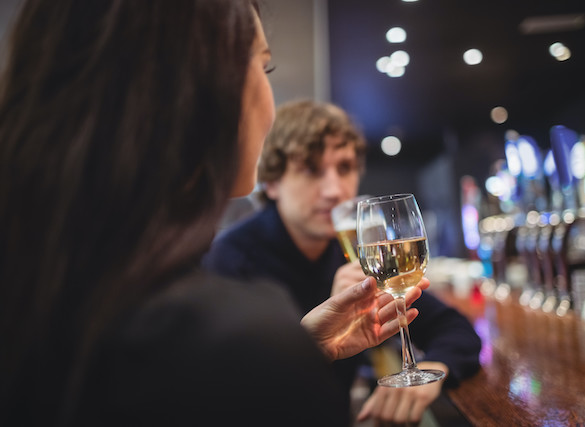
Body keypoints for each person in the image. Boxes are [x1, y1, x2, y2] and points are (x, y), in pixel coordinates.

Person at [0, 1, 430, 426]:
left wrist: (304, 348)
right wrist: (283, 359)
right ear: (199, 91)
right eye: (263, 68)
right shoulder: (230, 324)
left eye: (346, 168)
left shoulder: (43, 287)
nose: (335, 190)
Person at [203, 100, 482, 426]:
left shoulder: (350, 253)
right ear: (272, 183)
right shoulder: (231, 262)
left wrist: (433, 374)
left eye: (345, 168)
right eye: (311, 169)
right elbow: (224, 397)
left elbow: (454, 329)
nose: (335, 190)